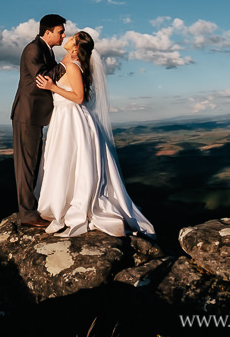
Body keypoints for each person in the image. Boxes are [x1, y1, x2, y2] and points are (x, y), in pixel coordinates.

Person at [34, 31, 154, 237]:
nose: (68, 37)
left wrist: (52, 86)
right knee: (64, 162)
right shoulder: (69, 62)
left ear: (76, 47)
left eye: (72, 38)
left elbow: (79, 97)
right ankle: (62, 203)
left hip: (71, 118)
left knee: (68, 161)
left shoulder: (72, 67)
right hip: (64, 118)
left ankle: (68, 205)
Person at [11, 14, 66, 228]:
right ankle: (26, 215)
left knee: (33, 164)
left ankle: (32, 209)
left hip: (36, 115)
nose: (63, 36)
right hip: (27, 115)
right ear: (48, 32)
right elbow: (42, 79)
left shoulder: (47, 50)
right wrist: (65, 65)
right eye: (60, 32)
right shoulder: (33, 49)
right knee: (25, 166)